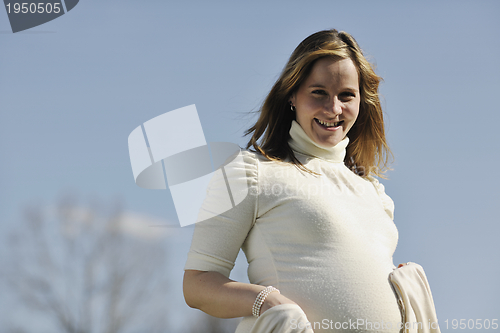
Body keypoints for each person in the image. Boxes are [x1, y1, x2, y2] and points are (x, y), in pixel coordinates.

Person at [183, 29, 404, 333]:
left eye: (346, 95)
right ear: (292, 95)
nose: (334, 108)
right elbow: (197, 283)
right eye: (319, 92)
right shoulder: (250, 172)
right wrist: (267, 301)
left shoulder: (374, 193)